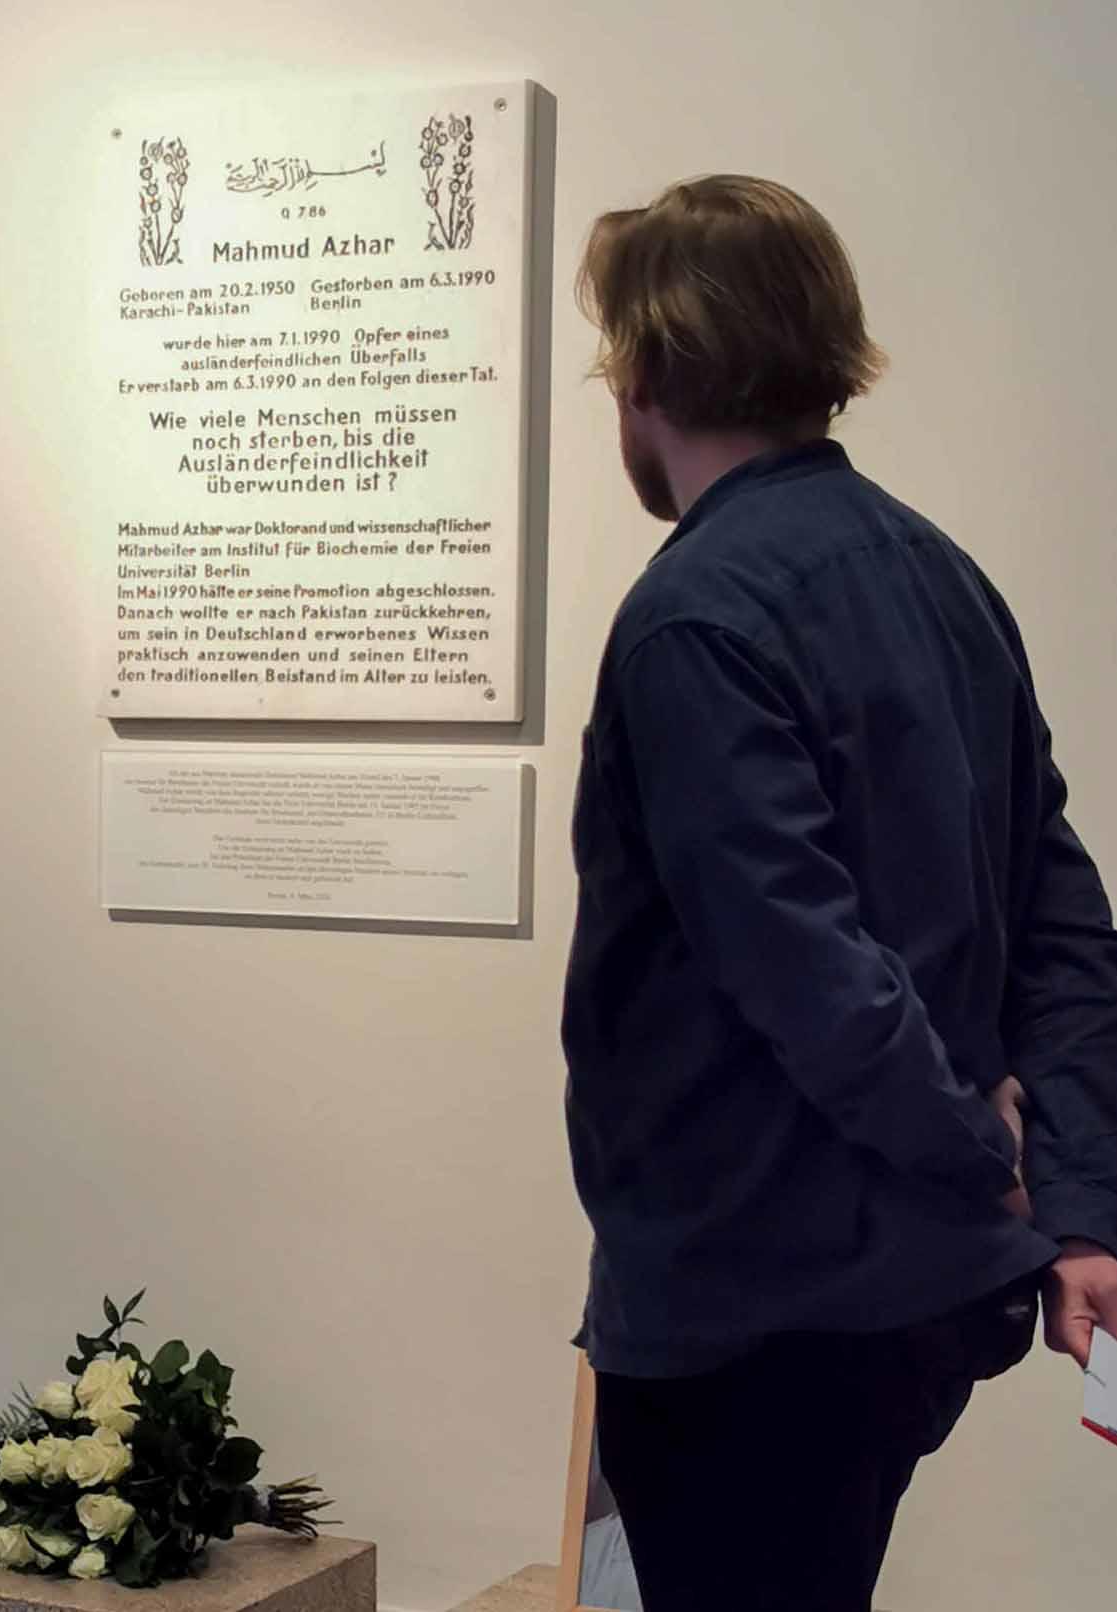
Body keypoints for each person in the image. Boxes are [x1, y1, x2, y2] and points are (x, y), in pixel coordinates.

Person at [562, 175, 1117, 1611]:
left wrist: (990, 1161)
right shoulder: (943, 579)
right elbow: (1062, 922)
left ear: (643, 373)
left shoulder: (692, 616)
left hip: (753, 1303)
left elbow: (808, 974)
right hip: (910, 1305)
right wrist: (1072, 1206)